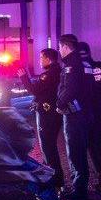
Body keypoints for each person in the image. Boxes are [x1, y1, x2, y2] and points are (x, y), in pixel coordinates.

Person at [56, 34, 94, 200]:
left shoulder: (71, 65)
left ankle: (79, 190)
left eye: (59, 47)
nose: (59, 51)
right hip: (85, 111)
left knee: (75, 151)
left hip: (74, 114)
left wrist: (59, 103)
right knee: (79, 150)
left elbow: (69, 89)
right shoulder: (85, 63)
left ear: (65, 47)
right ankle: (80, 187)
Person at [19, 48, 63, 188]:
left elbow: (34, 90)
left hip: (47, 113)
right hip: (53, 113)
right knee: (49, 147)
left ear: (48, 59)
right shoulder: (58, 71)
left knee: (48, 147)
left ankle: (54, 179)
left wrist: (23, 77)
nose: (40, 60)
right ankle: (52, 177)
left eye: (41, 58)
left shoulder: (48, 75)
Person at [78, 41, 101, 195]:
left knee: (92, 148)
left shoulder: (81, 69)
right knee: (100, 147)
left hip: (88, 112)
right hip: (100, 110)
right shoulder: (99, 66)